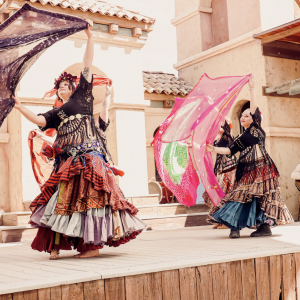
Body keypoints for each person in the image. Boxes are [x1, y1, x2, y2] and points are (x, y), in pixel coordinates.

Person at [13, 24, 146, 259]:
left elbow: (87, 62)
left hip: (90, 157)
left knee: (91, 198)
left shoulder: (82, 97)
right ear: (57, 93)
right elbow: (38, 120)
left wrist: (90, 36)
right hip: (69, 161)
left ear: (74, 88)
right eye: (60, 86)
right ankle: (69, 244)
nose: (63, 87)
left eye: (67, 85)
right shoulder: (56, 114)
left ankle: (92, 247)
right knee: (66, 200)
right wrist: (19, 105)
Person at [206, 76, 293, 238]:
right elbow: (230, 151)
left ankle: (264, 227)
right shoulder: (240, 138)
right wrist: (213, 148)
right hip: (246, 171)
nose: (243, 117)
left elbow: (254, 108)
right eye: (242, 116)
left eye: (247, 115)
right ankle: (234, 226)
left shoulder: (256, 128)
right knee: (240, 195)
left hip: (263, 168)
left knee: (262, 197)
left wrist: (252, 89)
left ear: (254, 118)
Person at [202, 117, 237, 229]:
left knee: (225, 195)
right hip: (221, 169)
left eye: (219, 125)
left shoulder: (227, 137)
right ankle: (220, 219)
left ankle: (226, 221)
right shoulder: (219, 138)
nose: (216, 127)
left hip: (229, 169)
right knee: (217, 195)